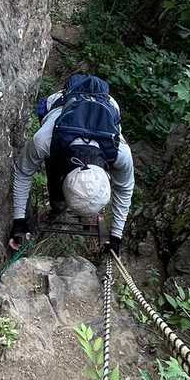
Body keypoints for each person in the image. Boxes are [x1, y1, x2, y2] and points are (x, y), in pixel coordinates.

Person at [9, 74, 133, 253]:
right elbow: (23, 171)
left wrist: (116, 236)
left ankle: (63, 205)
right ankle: (58, 205)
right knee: (54, 176)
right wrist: (19, 220)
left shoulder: (120, 152)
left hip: (106, 106)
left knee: (60, 179)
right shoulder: (45, 140)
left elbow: (125, 189)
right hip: (60, 106)